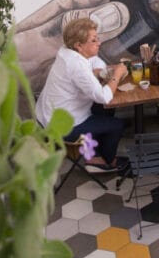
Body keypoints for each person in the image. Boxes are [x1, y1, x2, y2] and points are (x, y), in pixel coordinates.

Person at [36, 18, 130, 170]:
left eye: (97, 38)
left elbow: (95, 60)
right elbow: (104, 96)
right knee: (117, 125)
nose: (99, 43)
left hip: (49, 114)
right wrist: (117, 74)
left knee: (106, 108)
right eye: (94, 40)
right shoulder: (76, 65)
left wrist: (100, 71)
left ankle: (95, 150)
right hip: (63, 126)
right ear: (79, 45)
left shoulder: (66, 52)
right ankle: (104, 161)